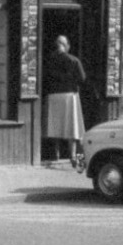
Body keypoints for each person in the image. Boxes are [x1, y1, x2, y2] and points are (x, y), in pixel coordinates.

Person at [44, 34, 87, 166]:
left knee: (54, 126)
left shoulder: (48, 60)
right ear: (66, 46)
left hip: (53, 95)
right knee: (71, 127)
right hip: (69, 95)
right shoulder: (73, 60)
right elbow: (82, 78)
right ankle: (73, 156)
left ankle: (55, 155)